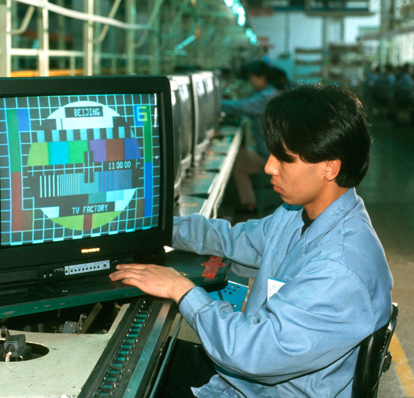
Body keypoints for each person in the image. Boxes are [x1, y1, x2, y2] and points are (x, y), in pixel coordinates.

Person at [110, 84, 393, 397]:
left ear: (330, 167)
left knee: (125, 386)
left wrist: (180, 288)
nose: (269, 166)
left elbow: (252, 353)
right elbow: (232, 241)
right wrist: (154, 227)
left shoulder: (340, 267)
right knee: (135, 364)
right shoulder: (298, 214)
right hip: (247, 381)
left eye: (285, 159)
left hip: (266, 386)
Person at [222, 61, 279, 214]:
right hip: (268, 149)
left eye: (252, 78)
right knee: (238, 162)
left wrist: (215, 104)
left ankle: (248, 204)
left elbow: (240, 107)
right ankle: (248, 202)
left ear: (261, 77)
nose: (251, 82)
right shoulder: (269, 93)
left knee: (235, 161)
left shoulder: (266, 97)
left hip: (268, 153)